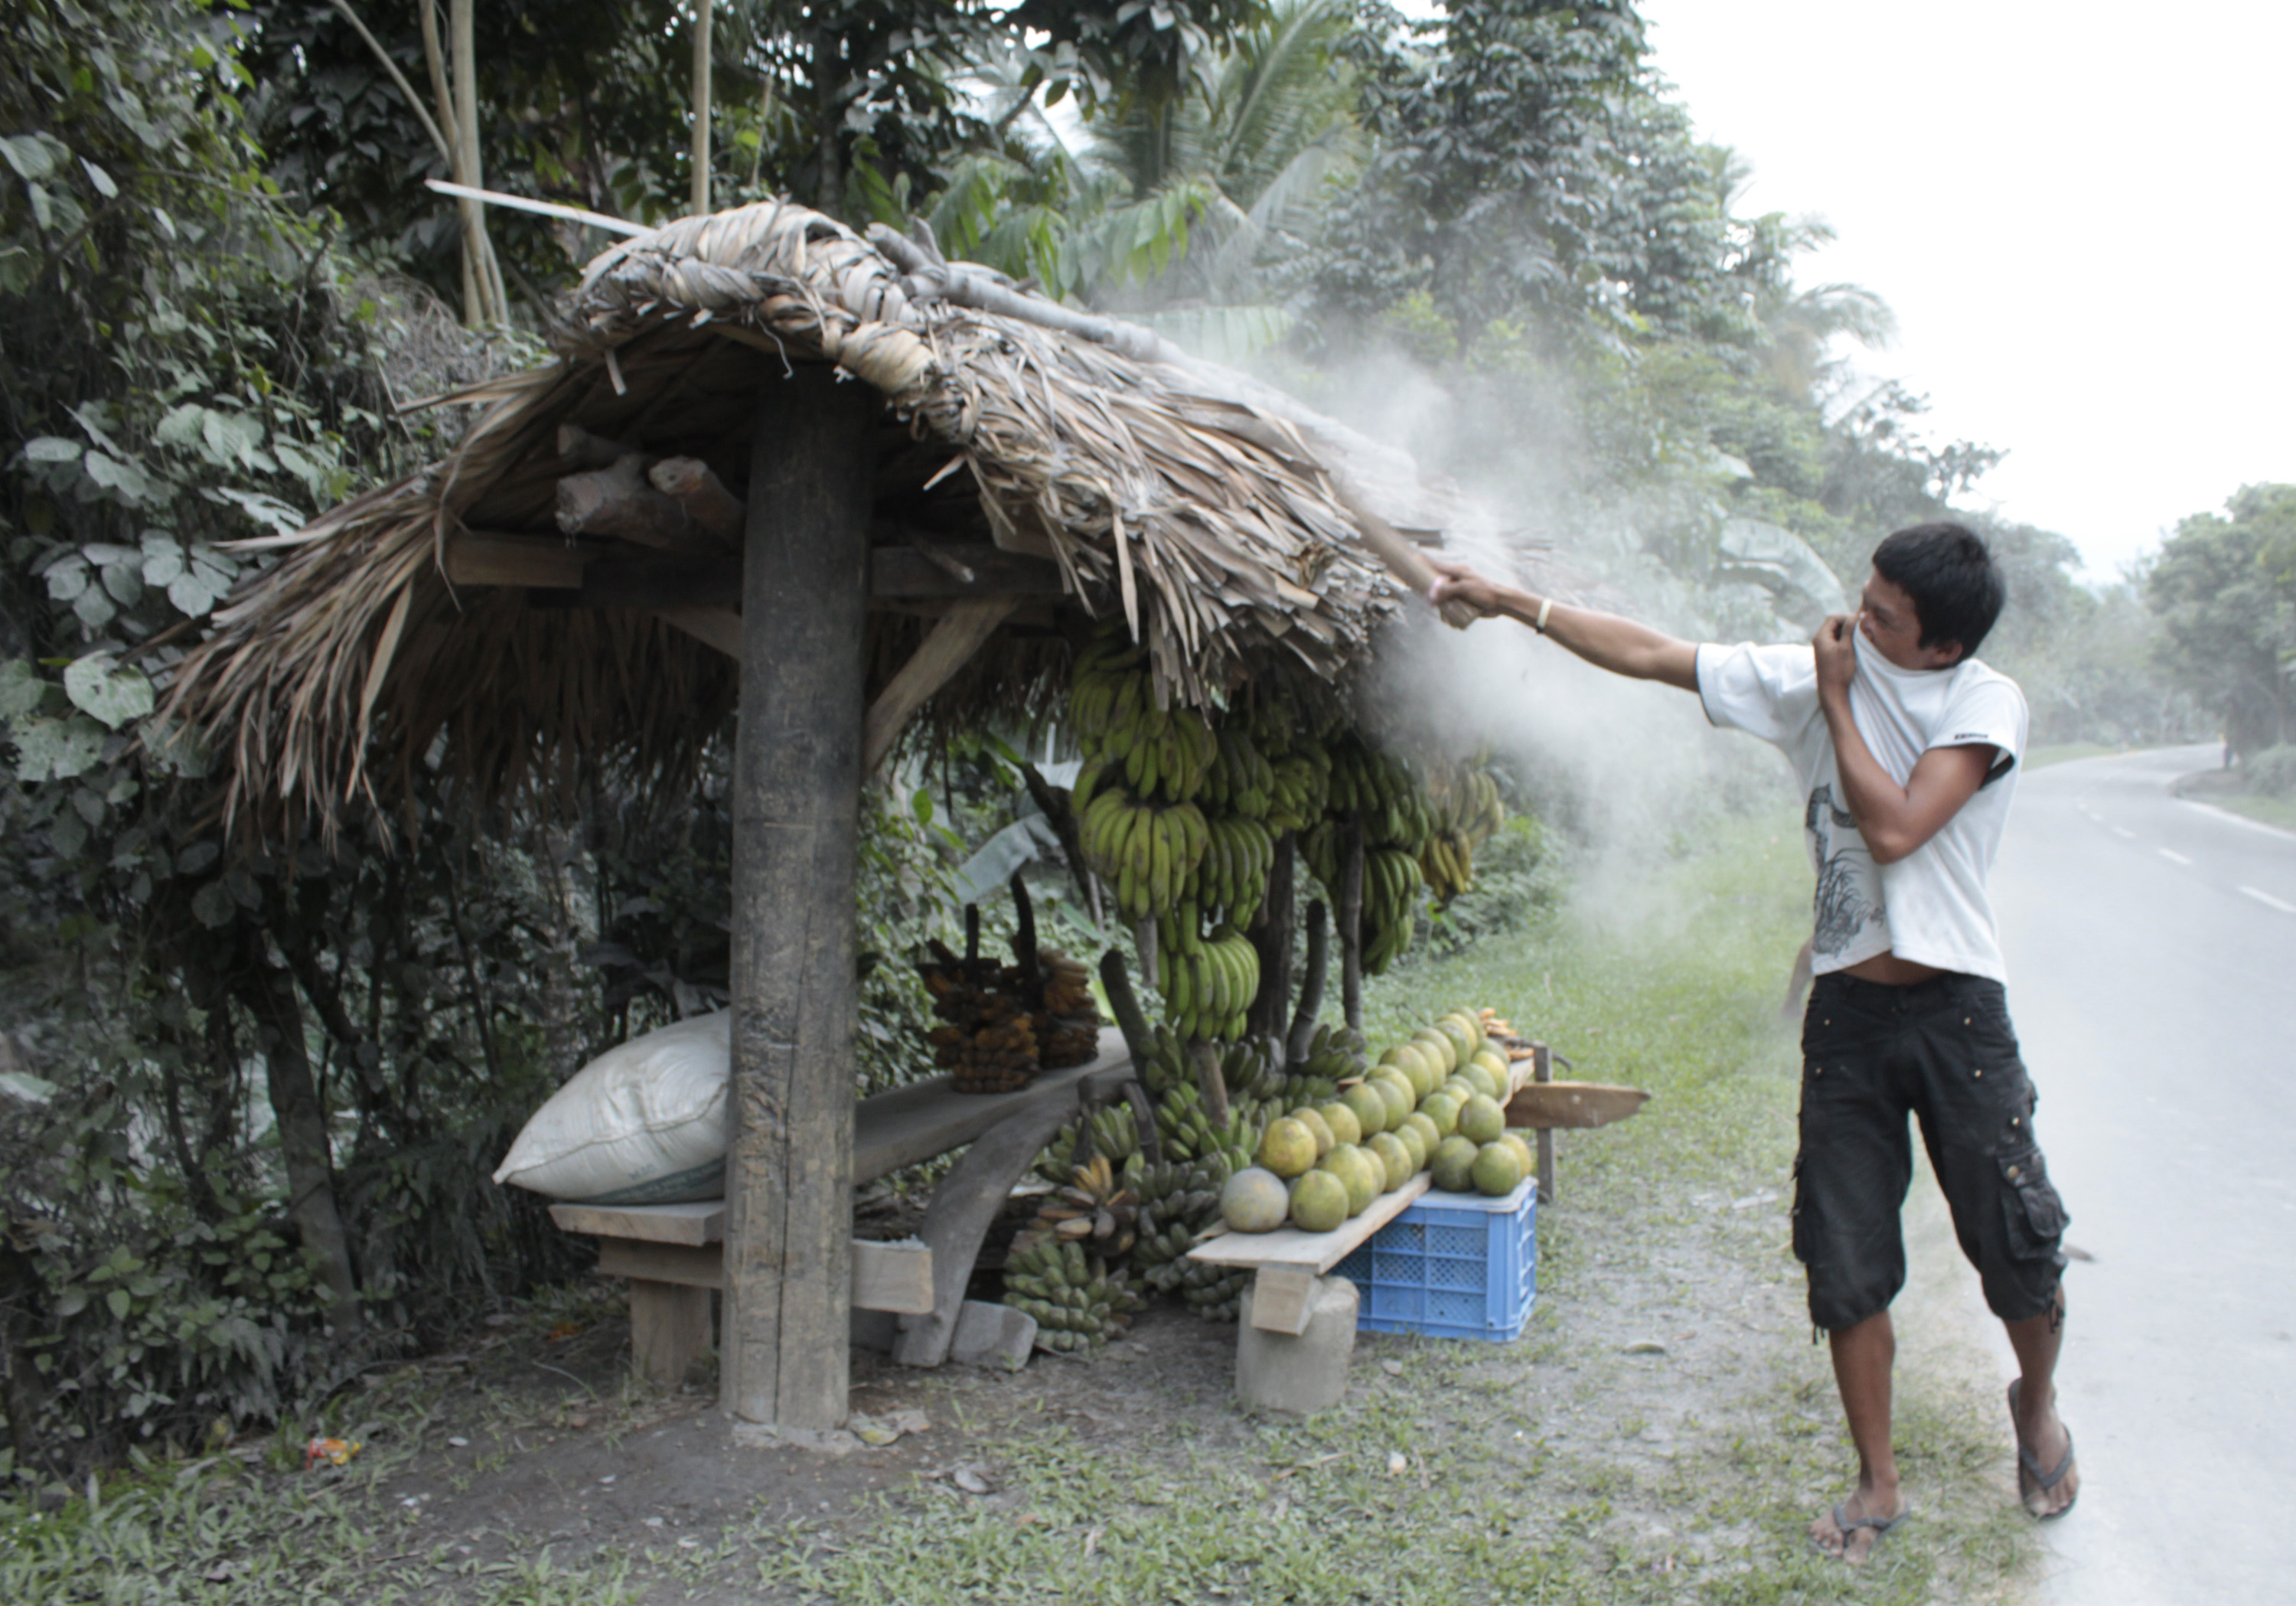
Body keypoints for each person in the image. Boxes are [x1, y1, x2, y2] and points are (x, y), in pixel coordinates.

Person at [1429, 522, 2076, 1563]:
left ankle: (2036, 1405)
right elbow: (1651, 653)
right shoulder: (1812, 666)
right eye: (1862, 599)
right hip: (1850, 1017)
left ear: (1941, 645)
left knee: (2013, 1236)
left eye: (1884, 619)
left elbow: (1900, 827)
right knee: (1845, 1250)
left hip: (1960, 1010)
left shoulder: (1980, 702)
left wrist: (1831, 700)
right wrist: (1511, 602)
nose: (1856, 625)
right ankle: (1878, 1479)